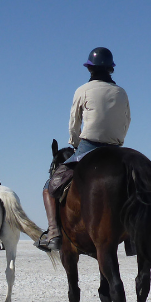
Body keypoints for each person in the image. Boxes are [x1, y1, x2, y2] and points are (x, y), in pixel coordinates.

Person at [36, 47, 131, 253]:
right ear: (110, 69)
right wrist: (118, 141)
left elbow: (74, 122)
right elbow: (127, 120)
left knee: (50, 185)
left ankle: (53, 232)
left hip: (88, 146)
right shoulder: (121, 92)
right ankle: (132, 234)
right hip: (115, 148)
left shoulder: (82, 91)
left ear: (90, 69)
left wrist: (74, 142)